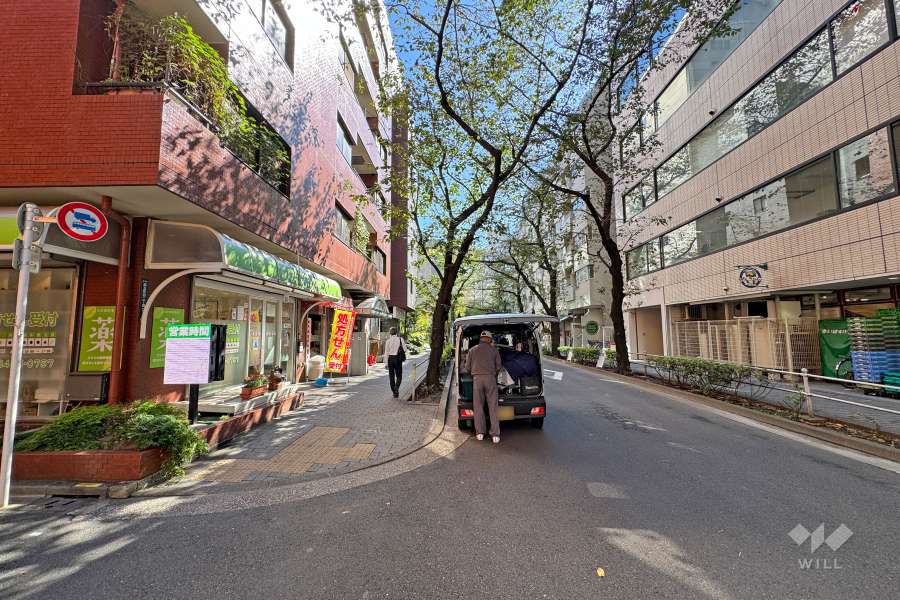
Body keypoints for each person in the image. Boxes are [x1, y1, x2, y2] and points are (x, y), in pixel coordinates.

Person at [464, 331, 502, 443]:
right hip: (490, 378)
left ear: (481, 339)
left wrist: (474, 374)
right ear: (489, 339)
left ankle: (480, 433)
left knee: (478, 406)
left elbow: (467, 367)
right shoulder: (494, 350)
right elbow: (498, 366)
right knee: (493, 406)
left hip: (477, 379)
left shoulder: (472, 350)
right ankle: (495, 435)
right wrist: (493, 375)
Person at [384, 327, 408, 399]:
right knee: (399, 375)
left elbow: (386, 353)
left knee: (391, 377)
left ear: (390, 333)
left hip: (390, 359)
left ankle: (394, 392)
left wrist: (386, 363)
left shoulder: (388, 341)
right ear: (396, 332)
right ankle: (396, 388)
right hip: (398, 359)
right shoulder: (400, 339)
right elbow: (405, 349)